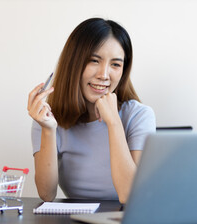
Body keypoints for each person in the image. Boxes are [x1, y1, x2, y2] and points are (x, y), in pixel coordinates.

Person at [28, 18, 156, 204]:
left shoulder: (139, 116)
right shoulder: (48, 119)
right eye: (94, 61)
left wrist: (113, 122)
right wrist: (48, 130)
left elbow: (130, 195)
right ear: (74, 64)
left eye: (115, 64)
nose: (104, 75)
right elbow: (47, 194)